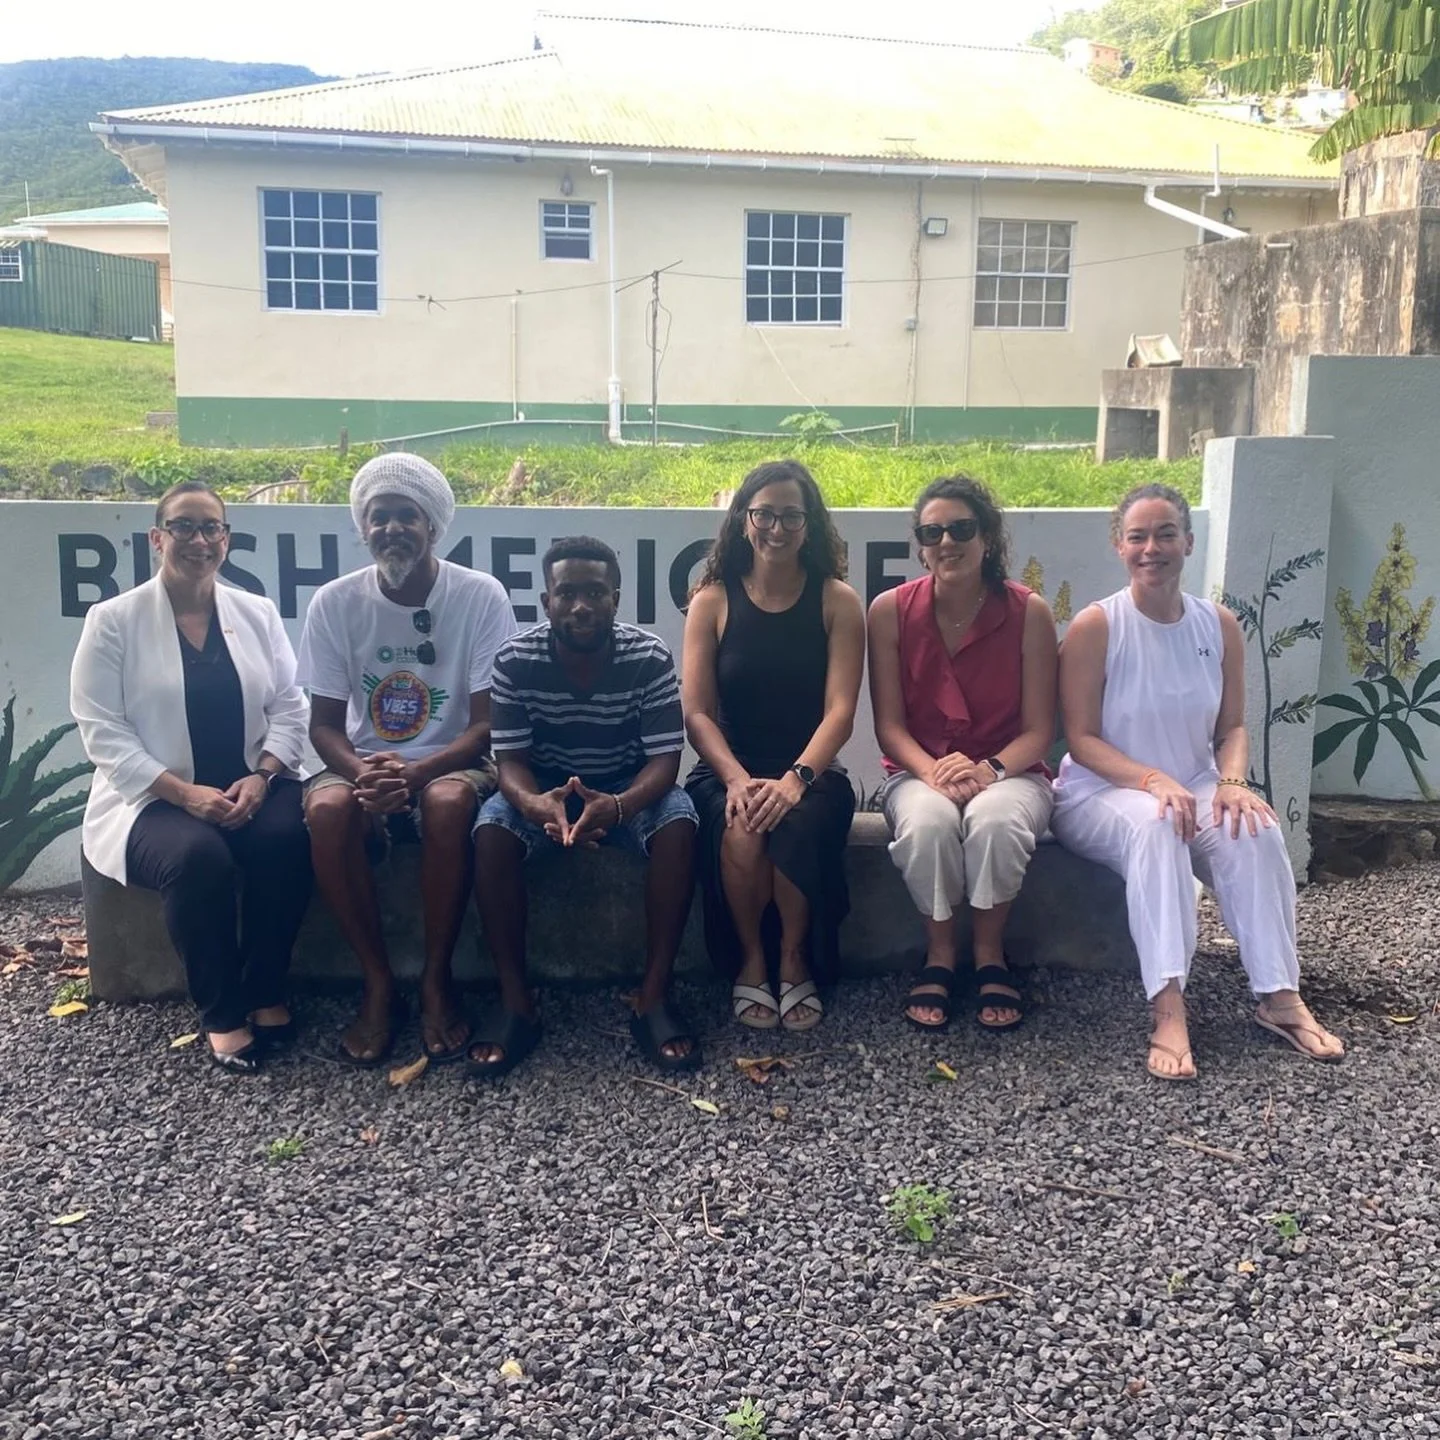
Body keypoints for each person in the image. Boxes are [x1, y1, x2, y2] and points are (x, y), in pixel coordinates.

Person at [1052, 482, 1345, 1080]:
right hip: (1100, 791)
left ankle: (1279, 995)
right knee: (1160, 826)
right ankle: (1168, 1006)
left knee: (1254, 828)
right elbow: (1080, 738)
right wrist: (1152, 779)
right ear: (1119, 546)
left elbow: (1232, 725)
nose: (1151, 548)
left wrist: (1233, 780)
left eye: (1165, 534)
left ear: (1188, 541)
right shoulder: (1096, 625)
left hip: (1194, 783)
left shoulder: (1219, 624)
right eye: (1138, 536)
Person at [70, 481, 312, 1074]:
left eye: (212, 528)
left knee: (288, 838)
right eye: (183, 526)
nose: (199, 540)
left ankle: (265, 990)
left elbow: (291, 704)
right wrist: (182, 793)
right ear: (157, 538)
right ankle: (223, 1013)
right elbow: (100, 727)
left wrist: (262, 776)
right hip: (154, 798)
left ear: (226, 540)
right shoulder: (113, 622)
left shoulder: (255, 613)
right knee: (199, 860)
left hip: (252, 783)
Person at [298, 453, 517, 1068]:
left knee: (449, 804)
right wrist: (363, 771)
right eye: (379, 517)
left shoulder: (479, 596)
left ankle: (436, 980)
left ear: (433, 527)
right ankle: (377, 983)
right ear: (362, 528)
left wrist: (419, 773)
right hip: (359, 764)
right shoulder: (334, 603)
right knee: (327, 811)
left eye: (407, 516)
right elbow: (322, 726)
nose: (392, 529)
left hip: (450, 762)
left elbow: (486, 726)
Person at [468, 537, 701, 1077]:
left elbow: (664, 763)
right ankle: (515, 1003)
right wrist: (533, 805)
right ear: (545, 600)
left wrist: (617, 806)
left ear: (615, 598)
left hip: (625, 786)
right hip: (543, 787)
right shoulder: (515, 659)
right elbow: (510, 762)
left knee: (680, 824)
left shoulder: (649, 657)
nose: (580, 606)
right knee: (491, 833)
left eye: (594, 592)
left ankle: (653, 997)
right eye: (566, 592)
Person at [868, 476, 1058, 1031]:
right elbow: (889, 727)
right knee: (926, 824)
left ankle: (990, 955)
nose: (946, 541)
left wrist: (987, 769)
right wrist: (932, 772)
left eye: (961, 528)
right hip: (918, 771)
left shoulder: (1030, 612)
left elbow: (1040, 730)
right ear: (920, 544)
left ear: (988, 537)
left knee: (995, 820)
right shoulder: (889, 612)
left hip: (1011, 771)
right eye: (933, 531)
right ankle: (941, 954)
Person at [682, 459, 865, 1031]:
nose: (778, 529)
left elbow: (841, 712)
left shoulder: (838, 601)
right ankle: (752, 961)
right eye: (765, 514)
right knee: (741, 827)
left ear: (810, 525)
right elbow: (697, 713)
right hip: (726, 769)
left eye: (792, 516)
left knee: (795, 825)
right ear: (744, 520)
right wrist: (737, 779)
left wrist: (794, 781)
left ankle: (793, 958)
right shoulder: (711, 600)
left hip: (812, 774)